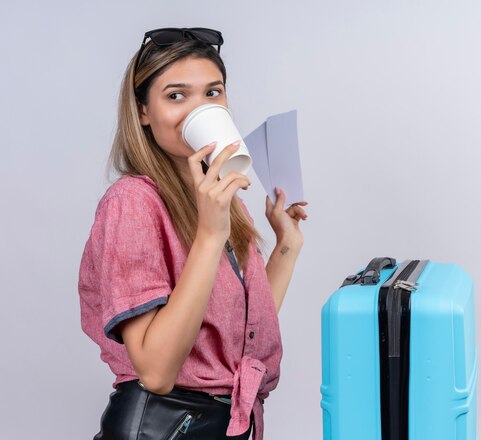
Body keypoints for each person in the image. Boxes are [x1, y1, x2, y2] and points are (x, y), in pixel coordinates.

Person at [78, 27, 309, 440]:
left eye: (213, 93)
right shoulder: (132, 202)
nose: (198, 109)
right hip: (165, 426)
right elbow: (156, 371)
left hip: (229, 423)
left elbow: (241, 327)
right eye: (176, 95)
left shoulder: (221, 198)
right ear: (143, 111)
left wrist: (286, 244)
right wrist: (209, 234)